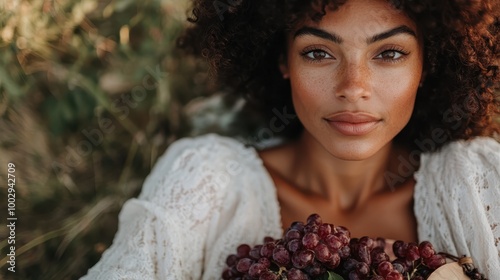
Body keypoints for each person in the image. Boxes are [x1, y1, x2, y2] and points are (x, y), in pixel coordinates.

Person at [81, 0, 500, 278]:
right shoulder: (206, 183)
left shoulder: (478, 181)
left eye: (389, 53)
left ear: (428, 64)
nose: (353, 87)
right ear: (282, 60)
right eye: (318, 52)